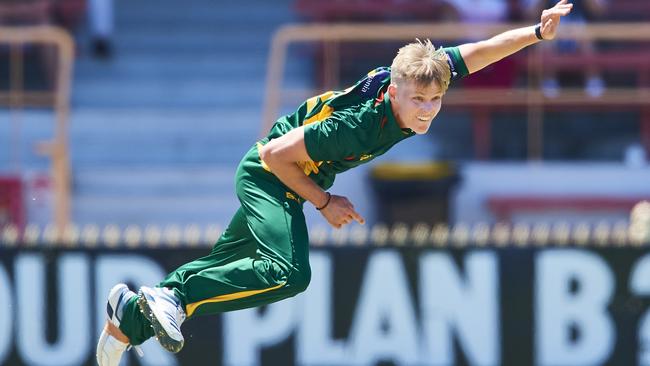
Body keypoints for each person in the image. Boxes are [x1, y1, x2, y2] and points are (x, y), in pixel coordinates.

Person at [95, 1, 573, 364]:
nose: (426, 109)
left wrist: (536, 32)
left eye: (434, 99)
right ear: (393, 91)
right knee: (288, 273)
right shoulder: (359, 125)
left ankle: (129, 316)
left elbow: (482, 52)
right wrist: (324, 202)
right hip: (272, 174)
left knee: (228, 261)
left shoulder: (424, 73)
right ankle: (174, 297)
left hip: (295, 172)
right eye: (417, 99)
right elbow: (273, 157)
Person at [524, 0, 608, 97]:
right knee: (546, 41)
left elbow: (599, 10)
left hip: (578, 24)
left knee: (586, 39)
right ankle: (549, 83)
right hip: (549, 23)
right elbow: (530, 12)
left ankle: (593, 82)